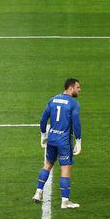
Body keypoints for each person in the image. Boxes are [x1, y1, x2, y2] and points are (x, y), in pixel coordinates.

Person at [33, 78, 82, 209]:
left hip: (52, 139)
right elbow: (76, 123)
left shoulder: (52, 100)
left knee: (47, 165)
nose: (79, 90)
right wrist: (78, 141)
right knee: (65, 169)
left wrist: (43, 135)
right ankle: (65, 201)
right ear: (70, 88)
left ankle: (38, 193)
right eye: (78, 87)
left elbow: (43, 119)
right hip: (64, 141)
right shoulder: (73, 103)